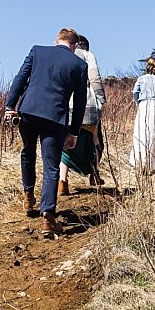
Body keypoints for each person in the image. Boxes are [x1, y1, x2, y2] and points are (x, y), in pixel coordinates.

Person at [4, 28, 89, 235]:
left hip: (28, 112)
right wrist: (75, 132)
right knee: (51, 166)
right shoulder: (79, 64)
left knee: (27, 152)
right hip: (55, 118)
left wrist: (9, 106)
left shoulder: (37, 51)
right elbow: (80, 102)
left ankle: (28, 195)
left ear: (56, 41)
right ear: (75, 45)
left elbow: (20, 79)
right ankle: (48, 218)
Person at [60, 34, 107, 193]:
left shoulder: (64, 56)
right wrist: (101, 99)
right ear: (85, 46)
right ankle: (94, 175)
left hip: (67, 105)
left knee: (65, 145)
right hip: (86, 104)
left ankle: (62, 181)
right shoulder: (88, 55)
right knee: (94, 140)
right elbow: (95, 79)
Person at [129, 56, 155, 174]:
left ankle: (141, 163)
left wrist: (139, 103)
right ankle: (151, 165)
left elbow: (135, 93)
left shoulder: (141, 79)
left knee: (140, 136)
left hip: (144, 106)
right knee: (153, 136)